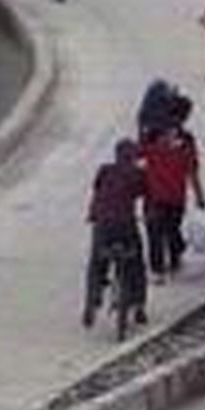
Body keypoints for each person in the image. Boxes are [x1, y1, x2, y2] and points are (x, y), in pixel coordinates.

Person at [83, 139, 149, 329]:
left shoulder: (104, 171)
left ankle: (92, 299)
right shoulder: (138, 174)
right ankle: (139, 305)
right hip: (126, 226)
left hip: (103, 225)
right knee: (136, 262)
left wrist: (93, 214)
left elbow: (97, 195)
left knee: (97, 262)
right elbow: (147, 196)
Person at [141, 97, 205, 282]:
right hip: (175, 194)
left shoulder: (151, 134)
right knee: (171, 229)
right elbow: (192, 169)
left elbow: (137, 155)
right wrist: (199, 196)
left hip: (154, 194)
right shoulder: (186, 139)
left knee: (155, 231)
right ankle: (175, 262)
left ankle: (158, 270)